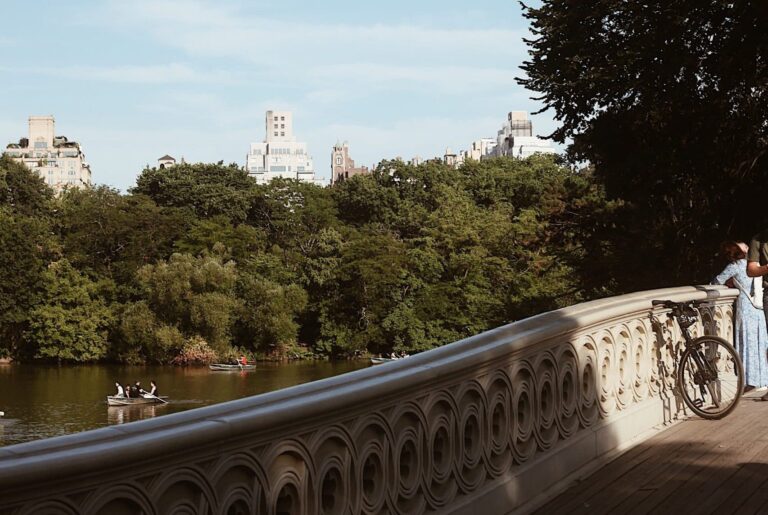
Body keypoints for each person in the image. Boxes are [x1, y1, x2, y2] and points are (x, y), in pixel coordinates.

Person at [713, 241, 768, 398]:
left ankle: (748, 380)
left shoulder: (735, 266)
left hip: (745, 308)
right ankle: (763, 380)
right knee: (761, 343)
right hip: (758, 307)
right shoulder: (755, 265)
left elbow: (717, 281)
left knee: (746, 344)